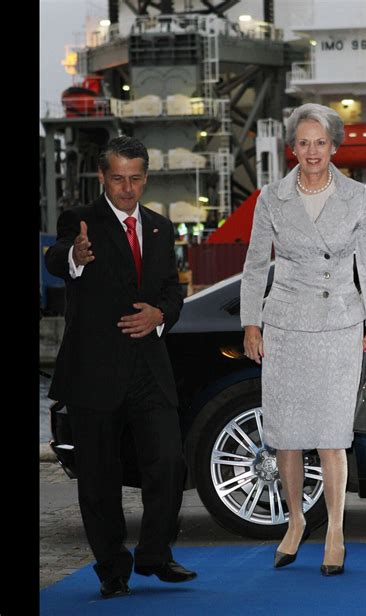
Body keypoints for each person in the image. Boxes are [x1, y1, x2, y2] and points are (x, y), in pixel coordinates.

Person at [45, 136, 197, 598]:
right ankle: (112, 568)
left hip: (148, 368)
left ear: (146, 178)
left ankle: (155, 554)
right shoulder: (81, 221)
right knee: (98, 477)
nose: (127, 188)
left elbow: (171, 290)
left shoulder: (159, 228)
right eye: (117, 178)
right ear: (102, 177)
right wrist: (76, 257)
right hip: (94, 371)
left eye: (135, 178)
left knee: (169, 461)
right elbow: (57, 258)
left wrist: (160, 315)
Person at [240, 103, 366, 575]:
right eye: (303, 142)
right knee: (286, 435)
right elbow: (256, 264)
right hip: (285, 325)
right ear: (293, 148)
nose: (311, 151)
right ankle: (297, 522)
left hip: (339, 323)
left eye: (320, 142)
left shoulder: (358, 195)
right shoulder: (272, 197)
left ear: (334, 146)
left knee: (330, 436)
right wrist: (251, 324)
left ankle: (337, 531)